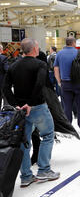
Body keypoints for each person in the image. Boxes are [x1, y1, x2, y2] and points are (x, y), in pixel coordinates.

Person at [3, 38, 60, 187]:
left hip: (20, 111)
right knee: (47, 135)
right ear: (35, 49)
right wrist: (31, 103)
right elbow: (40, 84)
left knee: (24, 142)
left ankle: (26, 176)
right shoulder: (40, 64)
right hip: (38, 107)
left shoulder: (13, 66)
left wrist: (16, 104)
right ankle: (44, 170)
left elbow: (5, 87)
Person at [53, 37, 80, 133]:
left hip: (65, 83)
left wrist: (59, 81)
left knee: (67, 106)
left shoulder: (59, 54)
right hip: (78, 83)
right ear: (74, 43)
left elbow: (56, 69)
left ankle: (68, 127)